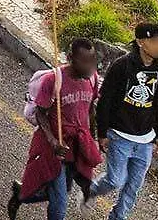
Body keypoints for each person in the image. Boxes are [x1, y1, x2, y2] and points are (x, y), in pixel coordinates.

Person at [7, 38, 101, 220]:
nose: (90, 66)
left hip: (77, 147)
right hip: (55, 148)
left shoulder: (92, 79)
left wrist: (92, 138)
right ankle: (26, 193)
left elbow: (90, 108)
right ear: (71, 58)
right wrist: (53, 141)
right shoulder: (54, 80)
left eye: (92, 60)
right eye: (85, 61)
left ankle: (20, 194)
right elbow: (40, 113)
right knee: (60, 205)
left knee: (60, 192)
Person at [86, 22, 158, 219]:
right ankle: (90, 191)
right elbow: (105, 100)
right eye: (155, 41)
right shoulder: (121, 66)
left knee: (133, 187)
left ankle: (117, 217)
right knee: (115, 180)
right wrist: (102, 132)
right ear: (141, 42)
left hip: (145, 140)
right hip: (120, 135)